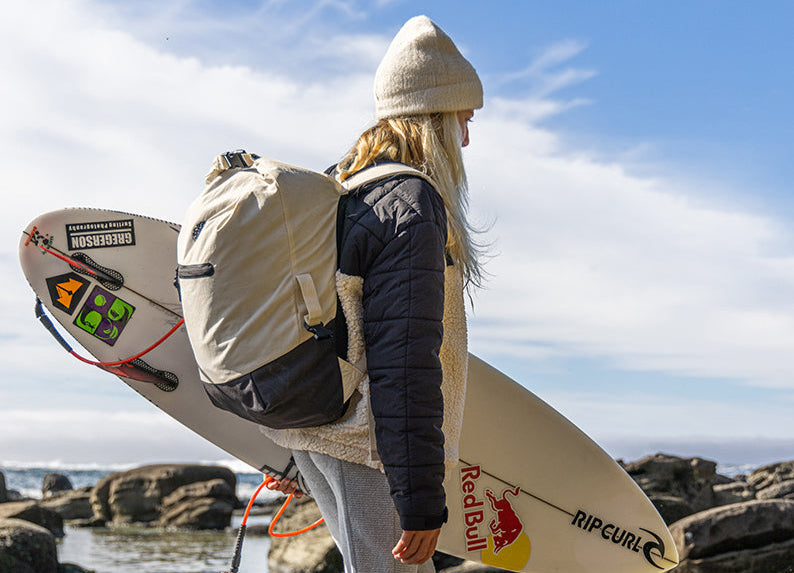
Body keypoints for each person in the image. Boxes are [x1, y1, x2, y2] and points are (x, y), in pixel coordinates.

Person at [261, 15, 484, 572]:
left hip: (315, 428)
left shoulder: (343, 185)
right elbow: (404, 362)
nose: (467, 137)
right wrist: (420, 499)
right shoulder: (410, 202)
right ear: (434, 117)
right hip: (368, 446)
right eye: (463, 118)